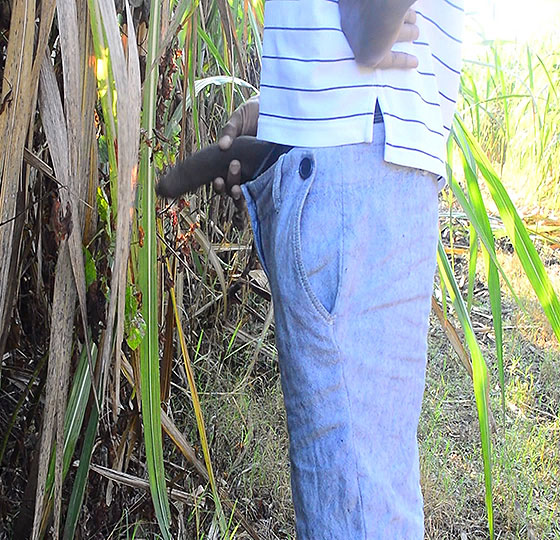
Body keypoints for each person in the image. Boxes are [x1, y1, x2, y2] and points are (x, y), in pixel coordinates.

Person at [212, 1, 464, 538]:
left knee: (357, 510)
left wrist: (371, 23)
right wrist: (287, 102)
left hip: (357, 164)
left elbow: (369, 31)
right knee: (366, 494)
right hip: (367, 161)